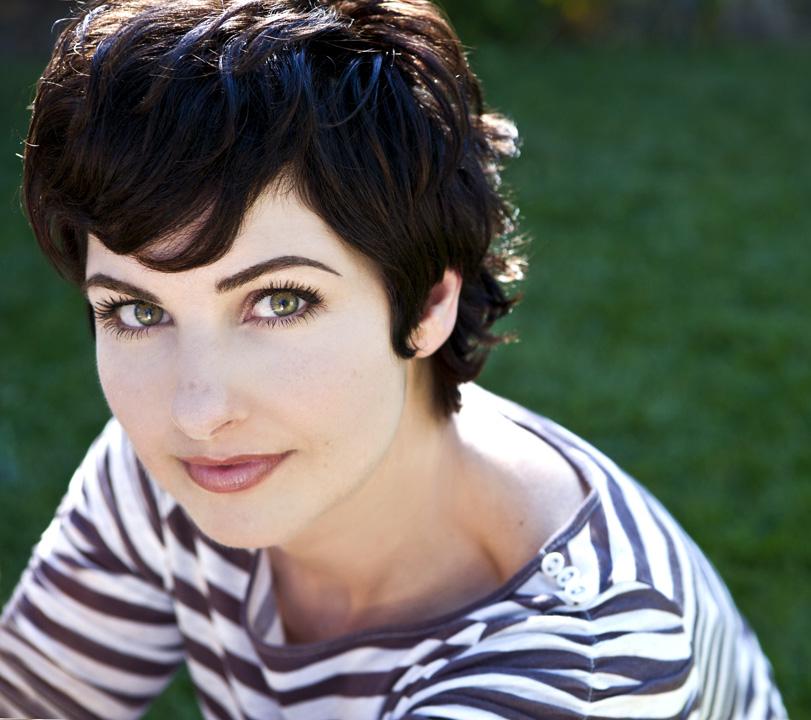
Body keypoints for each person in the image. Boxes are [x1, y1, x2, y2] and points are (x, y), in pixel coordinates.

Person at [0, 0, 787, 718]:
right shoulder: (187, 469)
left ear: (428, 304)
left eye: (280, 302)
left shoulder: (572, 672)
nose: (197, 410)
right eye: (138, 312)